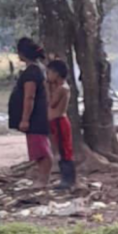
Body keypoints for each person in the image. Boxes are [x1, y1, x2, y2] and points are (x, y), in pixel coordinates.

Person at [8, 37, 52, 186]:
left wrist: (25, 118)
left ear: (22, 53)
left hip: (35, 117)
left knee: (41, 149)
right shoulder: (37, 69)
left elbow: (29, 97)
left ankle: (43, 179)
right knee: (37, 147)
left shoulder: (32, 72)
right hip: (37, 115)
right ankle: (41, 177)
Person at [46, 58, 76, 191]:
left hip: (59, 121)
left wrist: (47, 88)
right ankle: (65, 178)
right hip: (55, 121)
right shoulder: (60, 87)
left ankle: (68, 180)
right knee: (59, 149)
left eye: (49, 73)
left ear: (56, 74)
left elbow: (52, 103)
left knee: (64, 151)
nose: (48, 76)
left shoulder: (61, 89)